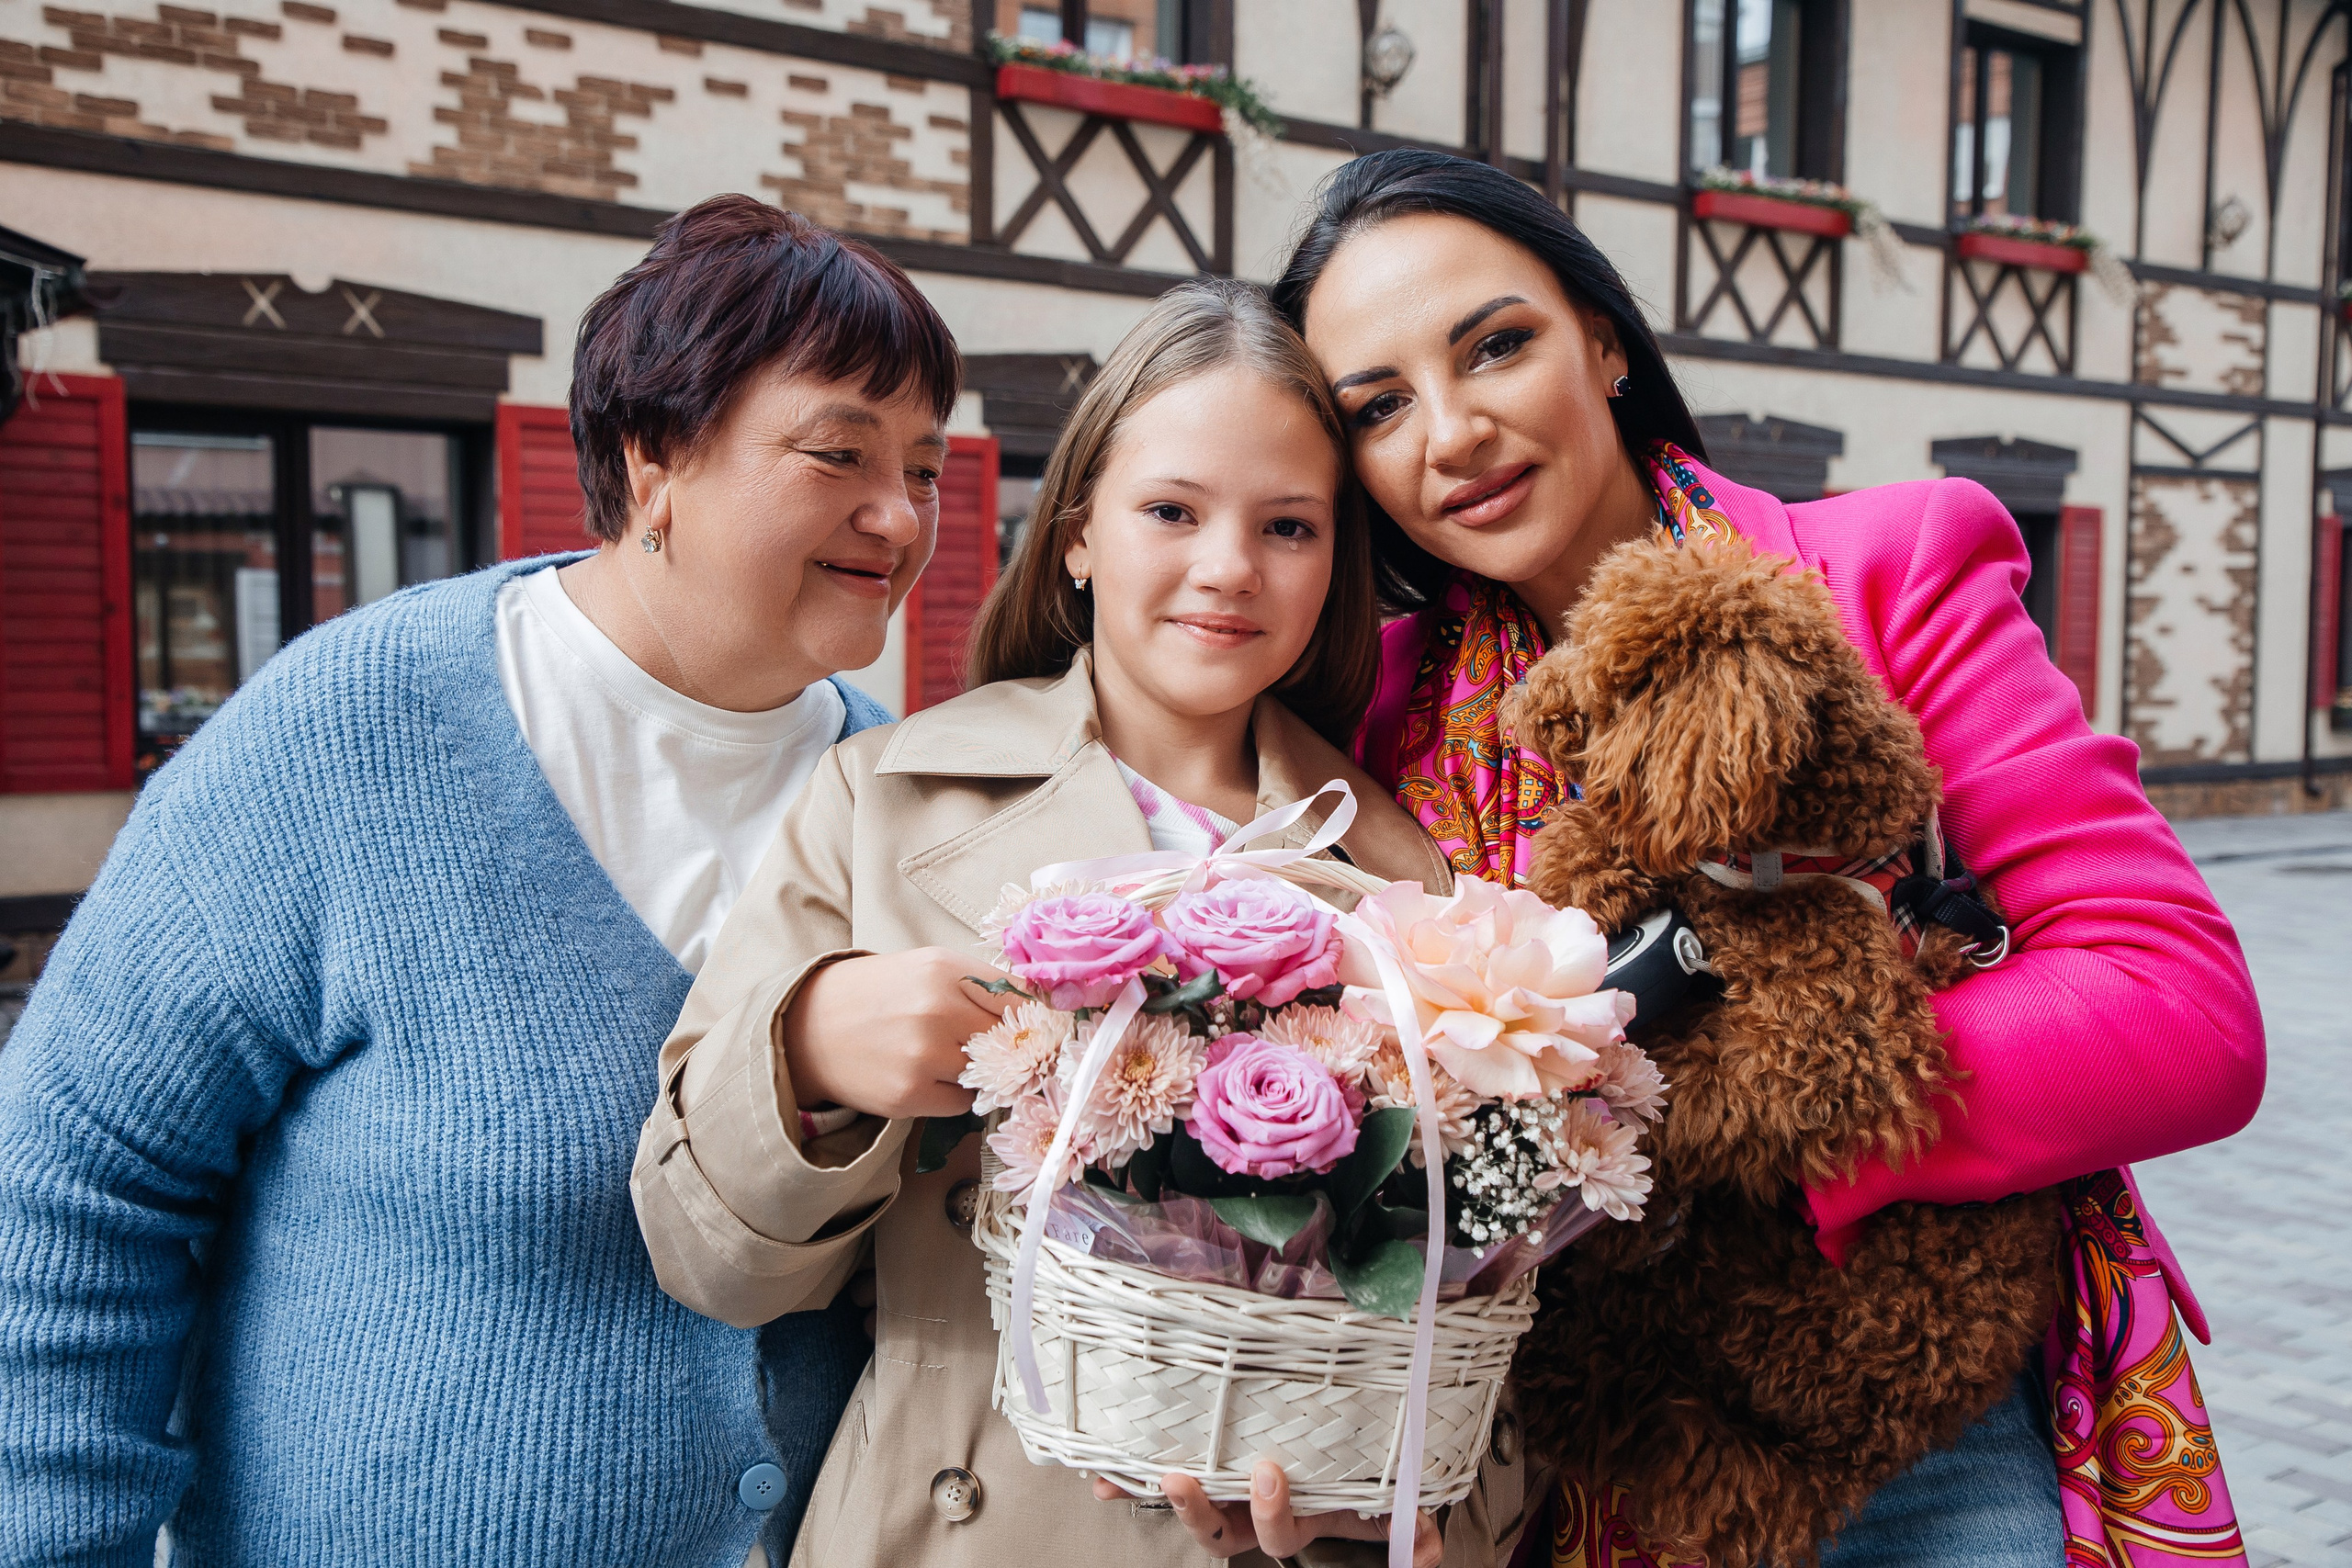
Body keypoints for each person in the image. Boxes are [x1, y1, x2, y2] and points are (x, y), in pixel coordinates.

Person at [1270, 149, 2266, 1568]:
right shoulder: (1363, 704)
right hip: (1573, 1445)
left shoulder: (1881, 571)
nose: (1454, 430)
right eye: (1379, 406)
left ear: (1604, 342)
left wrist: (1732, 1134)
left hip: (1913, 1418)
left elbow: (2180, 1013)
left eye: (1495, 345)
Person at [0, 194, 956, 1566]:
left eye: (924, 467)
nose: (898, 515)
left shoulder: (906, 800)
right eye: (839, 453)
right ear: (652, 458)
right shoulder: (358, 728)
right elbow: (78, 1190)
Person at [632, 279, 1538, 1567]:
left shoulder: (1409, 881)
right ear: (1076, 534)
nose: (1229, 568)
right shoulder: (884, 799)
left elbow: (1473, 1307)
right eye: (1171, 510)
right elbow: (709, 1262)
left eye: (1289, 526)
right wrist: (807, 1057)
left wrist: (1406, 1514)